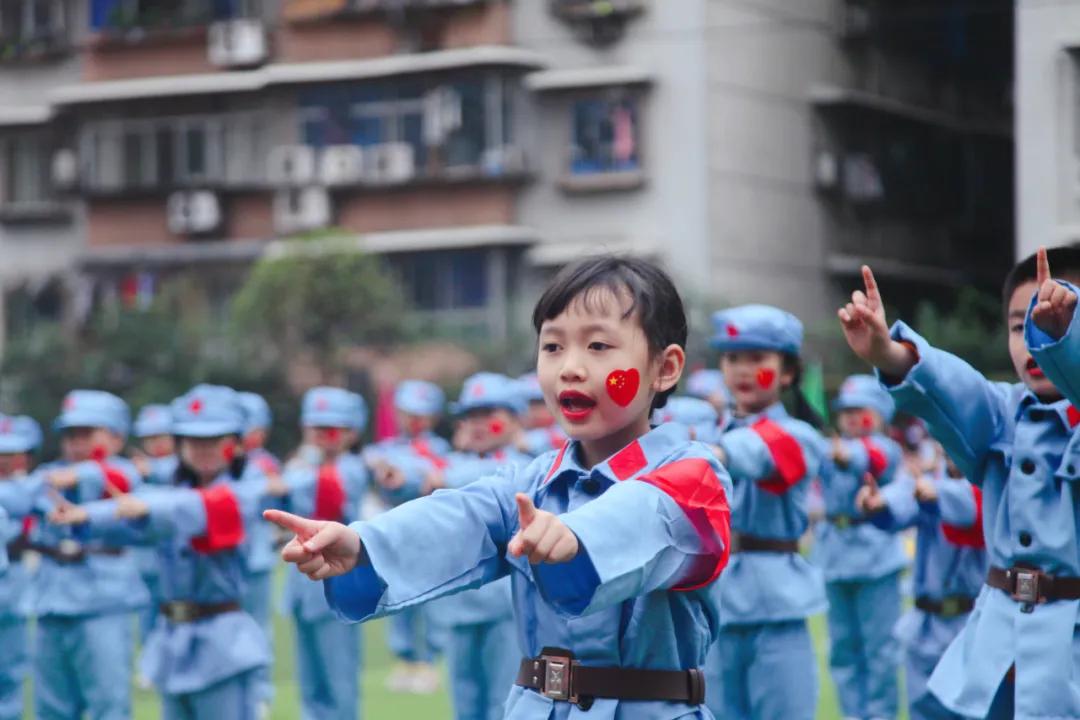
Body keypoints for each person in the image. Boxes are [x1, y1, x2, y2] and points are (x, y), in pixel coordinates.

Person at [266, 255, 733, 720]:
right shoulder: (533, 481)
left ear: (665, 368)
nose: (569, 367)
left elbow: (642, 514)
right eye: (552, 347)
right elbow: (460, 516)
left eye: (597, 346)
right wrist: (362, 544)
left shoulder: (694, 476)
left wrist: (575, 538)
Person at [837, 246, 1080, 718]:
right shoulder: (1004, 411)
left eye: (1058, 321)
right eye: (1020, 325)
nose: (1035, 339)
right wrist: (888, 352)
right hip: (997, 641)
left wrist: (1065, 346)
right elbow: (953, 389)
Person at [50, 384, 272, 720]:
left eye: (214, 440)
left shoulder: (242, 492)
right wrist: (86, 519)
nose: (202, 449)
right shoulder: (168, 495)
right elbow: (141, 525)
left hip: (222, 642)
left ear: (236, 445)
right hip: (174, 637)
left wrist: (126, 509)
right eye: (192, 441)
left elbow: (185, 510)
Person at [703, 305, 828, 720]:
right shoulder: (710, 433)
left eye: (757, 358)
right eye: (732, 358)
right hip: (716, 601)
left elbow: (758, 454)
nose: (741, 369)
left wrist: (711, 453)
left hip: (776, 602)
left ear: (788, 373)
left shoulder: (799, 435)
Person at [857, 443, 987, 720]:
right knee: (923, 709)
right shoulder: (928, 481)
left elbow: (969, 507)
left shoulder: (990, 480)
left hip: (971, 621)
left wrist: (936, 492)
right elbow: (903, 497)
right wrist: (878, 503)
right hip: (925, 622)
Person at [812, 375, 905, 720]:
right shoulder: (830, 449)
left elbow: (872, 458)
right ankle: (853, 714)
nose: (851, 418)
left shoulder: (885, 448)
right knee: (842, 649)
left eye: (859, 411)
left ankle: (880, 715)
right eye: (845, 411)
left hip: (876, 555)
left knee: (879, 651)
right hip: (835, 553)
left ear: (880, 413)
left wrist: (842, 453)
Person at [281, 387, 370, 720]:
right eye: (315, 428)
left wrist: (304, 469)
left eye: (331, 429)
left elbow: (330, 492)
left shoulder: (352, 467)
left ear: (351, 432)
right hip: (303, 586)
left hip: (340, 578)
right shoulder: (301, 467)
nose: (323, 436)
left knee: (339, 677)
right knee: (310, 679)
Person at [0, 414, 41, 720]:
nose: (5, 461)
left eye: (12, 454)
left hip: (12, 582)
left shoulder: (31, 488)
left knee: (11, 673)